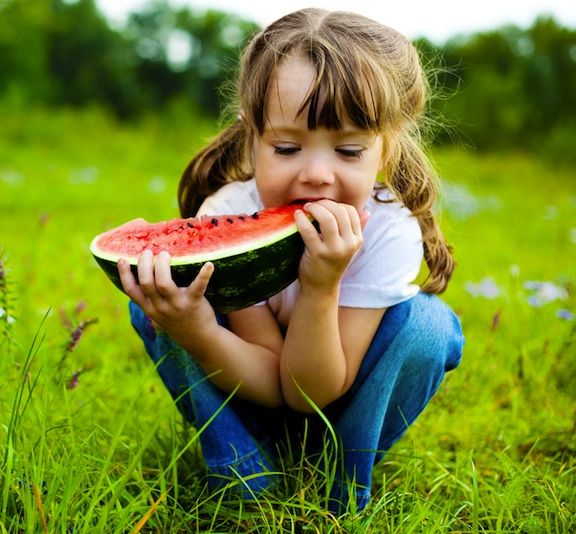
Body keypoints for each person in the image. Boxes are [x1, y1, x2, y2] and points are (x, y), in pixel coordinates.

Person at [117, 7, 464, 513]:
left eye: (348, 151)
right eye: (286, 147)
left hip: (340, 403)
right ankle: (244, 477)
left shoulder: (388, 232)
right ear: (252, 137)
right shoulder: (229, 213)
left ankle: (340, 488)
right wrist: (194, 328)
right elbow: (273, 383)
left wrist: (322, 286)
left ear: (384, 151)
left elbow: (308, 395)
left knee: (430, 326)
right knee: (157, 300)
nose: (317, 175)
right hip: (247, 390)